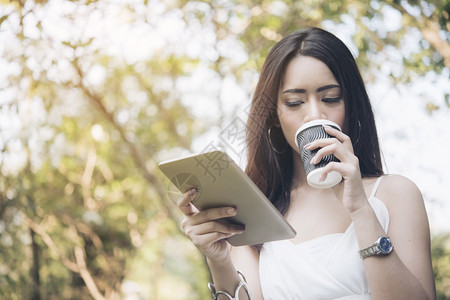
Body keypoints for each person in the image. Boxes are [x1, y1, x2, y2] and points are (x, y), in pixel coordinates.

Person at [177, 27, 436, 299]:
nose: (314, 114)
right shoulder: (255, 212)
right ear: (275, 116)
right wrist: (219, 261)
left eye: (330, 98)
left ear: (351, 104)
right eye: (294, 102)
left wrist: (360, 209)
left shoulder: (395, 194)